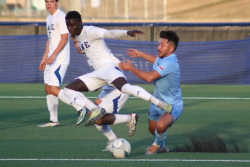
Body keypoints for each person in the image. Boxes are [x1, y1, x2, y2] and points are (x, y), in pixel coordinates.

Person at [63, 11, 173, 128]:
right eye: (68, 26)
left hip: (109, 67)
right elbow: (89, 48)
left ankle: (160, 103)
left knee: (125, 88)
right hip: (98, 73)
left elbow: (109, 33)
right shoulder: (77, 36)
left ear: (80, 22)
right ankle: (96, 110)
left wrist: (127, 32)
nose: (70, 28)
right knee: (68, 90)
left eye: (73, 25)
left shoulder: (90, 31)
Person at [118, 30, 184, 155]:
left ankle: (156, 145)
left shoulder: (170, 62)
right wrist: (141, 54)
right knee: (152, 129)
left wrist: (131, 68)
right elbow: (157, 60)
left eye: (162, 45)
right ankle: (162, 146)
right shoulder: (164, 57)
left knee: (161, 125)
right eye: (159, 44)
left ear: (171, 49)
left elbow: (149, 77)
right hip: (157, 102)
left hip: (172, 104)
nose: (159, 47)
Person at [71, 36, 139, 151]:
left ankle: (130, 117)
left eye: (79, 42)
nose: (77, 45)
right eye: (74, 42)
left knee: (98, 118)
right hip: (109, 86)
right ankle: (112, 140)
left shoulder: (94, 49)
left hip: (118, 88)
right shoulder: (89, 54)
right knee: (92, 113)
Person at [38, 0, 84, 127]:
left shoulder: (61, 17)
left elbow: (64, 38)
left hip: (59, 59)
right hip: (50, 59)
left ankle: (80, 107)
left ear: (57, 2)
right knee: (48, 88)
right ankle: (53, 120)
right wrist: (44, 57)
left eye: (52, 1)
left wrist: (53, 55)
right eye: (47, 1)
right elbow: (50, 40)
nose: (49, 4)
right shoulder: (49, 18)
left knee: (53, 88)